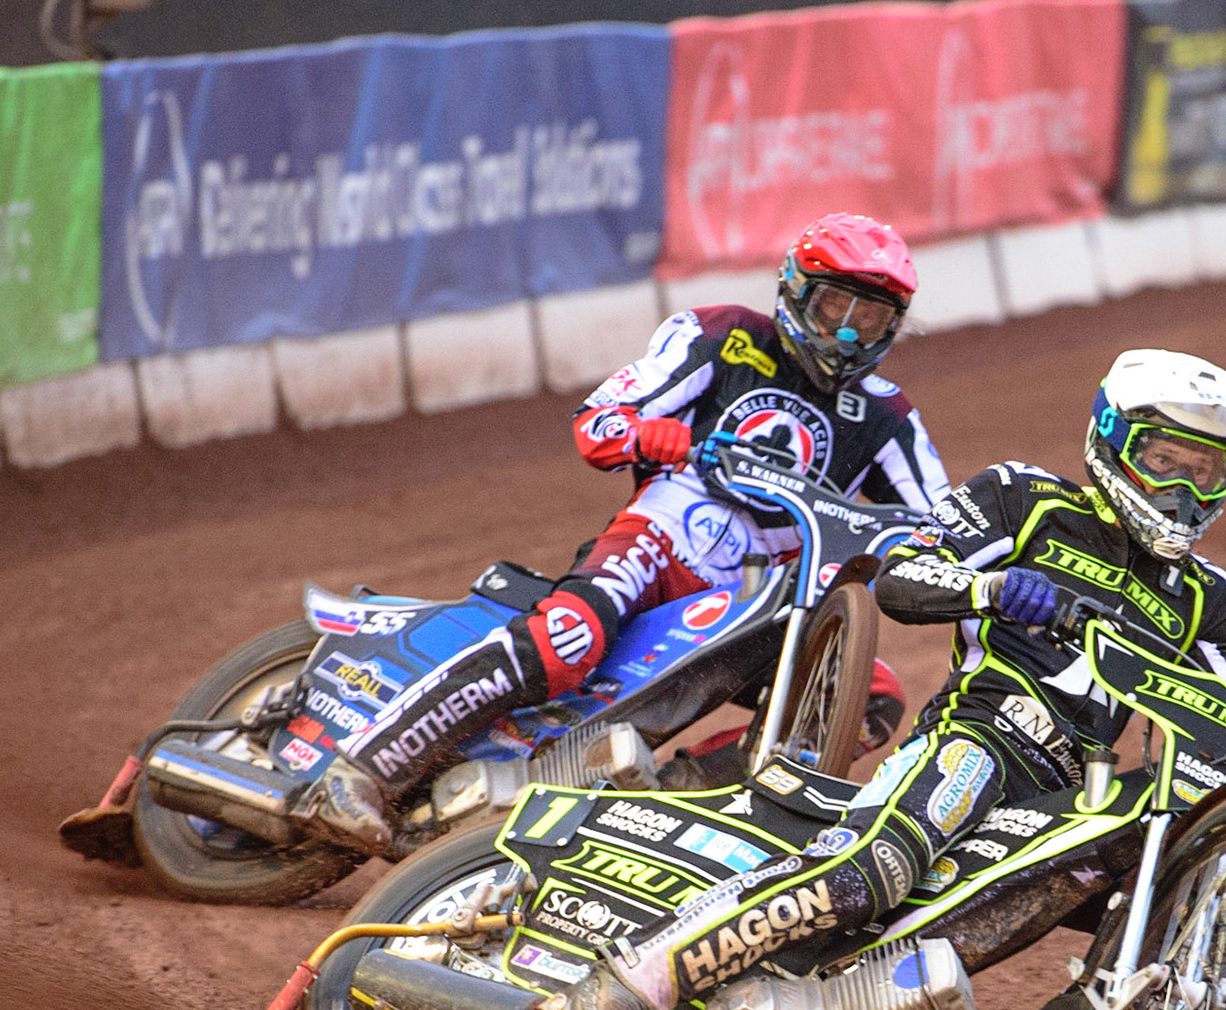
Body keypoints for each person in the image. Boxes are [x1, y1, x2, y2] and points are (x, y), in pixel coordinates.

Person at [537, 348, 1226, 1010]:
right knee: (870, 871)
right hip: (981, 741)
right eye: (1164, 462)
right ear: (1113, 442)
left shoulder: (1208, 597)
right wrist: (993, 588)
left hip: (1075, 798)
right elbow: (903, 574)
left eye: (1205, 472)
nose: (1182, 492)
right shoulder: (1027, 498)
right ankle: (628, 985)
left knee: (1216, 901)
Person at [297, 213, 949, 854]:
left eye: (870, 317)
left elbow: (943, 524)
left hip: (764, 601)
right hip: (657, 541)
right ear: (798, 291)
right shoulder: (722, 336)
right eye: (836, 305)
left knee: (870, 701)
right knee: (566, 637)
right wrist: (647, 434)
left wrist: (954, 565)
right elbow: (599, 420)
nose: (847, 331)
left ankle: (670, 797)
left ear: (892, 325)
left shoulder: (888, 416)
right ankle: (358, 773)